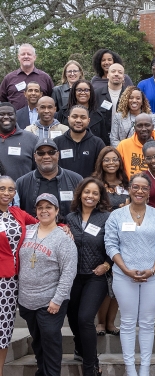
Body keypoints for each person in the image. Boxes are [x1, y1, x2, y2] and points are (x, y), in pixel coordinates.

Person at [104, 173, 155, 376]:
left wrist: (153, 269)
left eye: (144, 188)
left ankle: (145, 369)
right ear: (129, 189)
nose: (139, 191)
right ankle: (131, 370)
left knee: (148, 322)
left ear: (149, 191)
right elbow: (111, 245)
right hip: (124, 276)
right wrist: (125, 269)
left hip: (153, 276)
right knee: (128, 321)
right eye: (135, 187)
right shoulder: (116, 216)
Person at [18, 193, 77, 376]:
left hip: (50, 302)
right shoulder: (27, 231)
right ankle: (42, 372)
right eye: (40, 207)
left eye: (48, 207)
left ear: (57, 210)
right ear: (35, 211)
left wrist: (57, 300)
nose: (44, 211)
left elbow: (68, 272)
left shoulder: (64, 238)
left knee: (50, 341)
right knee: (37, 341)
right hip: (27, 300)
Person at [66, 178, 112, 376]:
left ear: (100, 197)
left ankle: (91, 366)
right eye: (87, 192)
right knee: (73, 318)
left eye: (95, 193)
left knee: (85, 318)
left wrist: (107, 264)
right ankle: (80, 348)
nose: (90, 196)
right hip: (73, 276)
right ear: (80, 193)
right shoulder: (69, 218)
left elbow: (115, 244)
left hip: (96, 275)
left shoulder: (107, 218)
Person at [0, 176, 39, 376]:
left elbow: (42, 224)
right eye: (2, 189)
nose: (6, 193)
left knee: (4, 329)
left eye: (11, 190)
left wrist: (63, 228)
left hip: (12, 281)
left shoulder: (17, 213)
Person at [91, 146, 128, 336]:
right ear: (101, 162)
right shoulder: (95, 183)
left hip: (124, 237)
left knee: (118, 281)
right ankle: (101, 322)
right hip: (101, 235)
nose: (111, 163)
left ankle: (112, 322)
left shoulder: (127, 183)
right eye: (107, 159)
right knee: (104, 282)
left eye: (115, 159)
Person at [16, 138, 83, 221]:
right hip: (34, 231)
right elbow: (16, 212)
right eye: (41, 153)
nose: (46, 156)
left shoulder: (76, 180)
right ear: (35, 157)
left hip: (69, 232)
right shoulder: (22, 183)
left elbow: (83, 211)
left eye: (51, 152)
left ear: (58, 155)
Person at [116, 113, 155, 178]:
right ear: (135, 128)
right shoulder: (123, 146)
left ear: (153, 127)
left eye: (147, 125)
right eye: (140, 126)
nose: (144, 129)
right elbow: (117, 171)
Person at [54, 105, 106, 178]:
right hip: (64, 188)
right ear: (68, 119)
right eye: (74, 117)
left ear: (88, 120)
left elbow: (102, 170)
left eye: (83, 117)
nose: (78, 120)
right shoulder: (57, 142)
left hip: (89, 187)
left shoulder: (97, 143)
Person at [0, 44, 54, 110]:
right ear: (18, 57)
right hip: (15, 119)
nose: (26, 56)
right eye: (23, 54)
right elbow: (2, 101)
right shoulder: (9, 78)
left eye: (29, 54)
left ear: (34, 57)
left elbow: (51, 99)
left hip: (41, 118)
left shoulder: (45, 78)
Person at [56, 79, 109, 144]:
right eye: (79, 90)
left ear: (91, 92)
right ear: (74, 92)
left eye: (86, 90)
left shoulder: (98, 115)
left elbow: (104, 139)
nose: (83, 93)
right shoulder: (63, 111)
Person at [0, 102, 38, 180]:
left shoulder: (31, 139)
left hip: (22, 191)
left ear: (16, 117)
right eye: (2, 114)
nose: (6, 117)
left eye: (10, 114)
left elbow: (38, 169)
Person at [94, 63, 127, 142]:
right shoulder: (96, 94)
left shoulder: (130, 94)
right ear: (108, 75)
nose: (116, 74)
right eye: (113, 71)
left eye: (120, 72)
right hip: (101, 138)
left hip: (123, 139)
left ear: (123, 77)